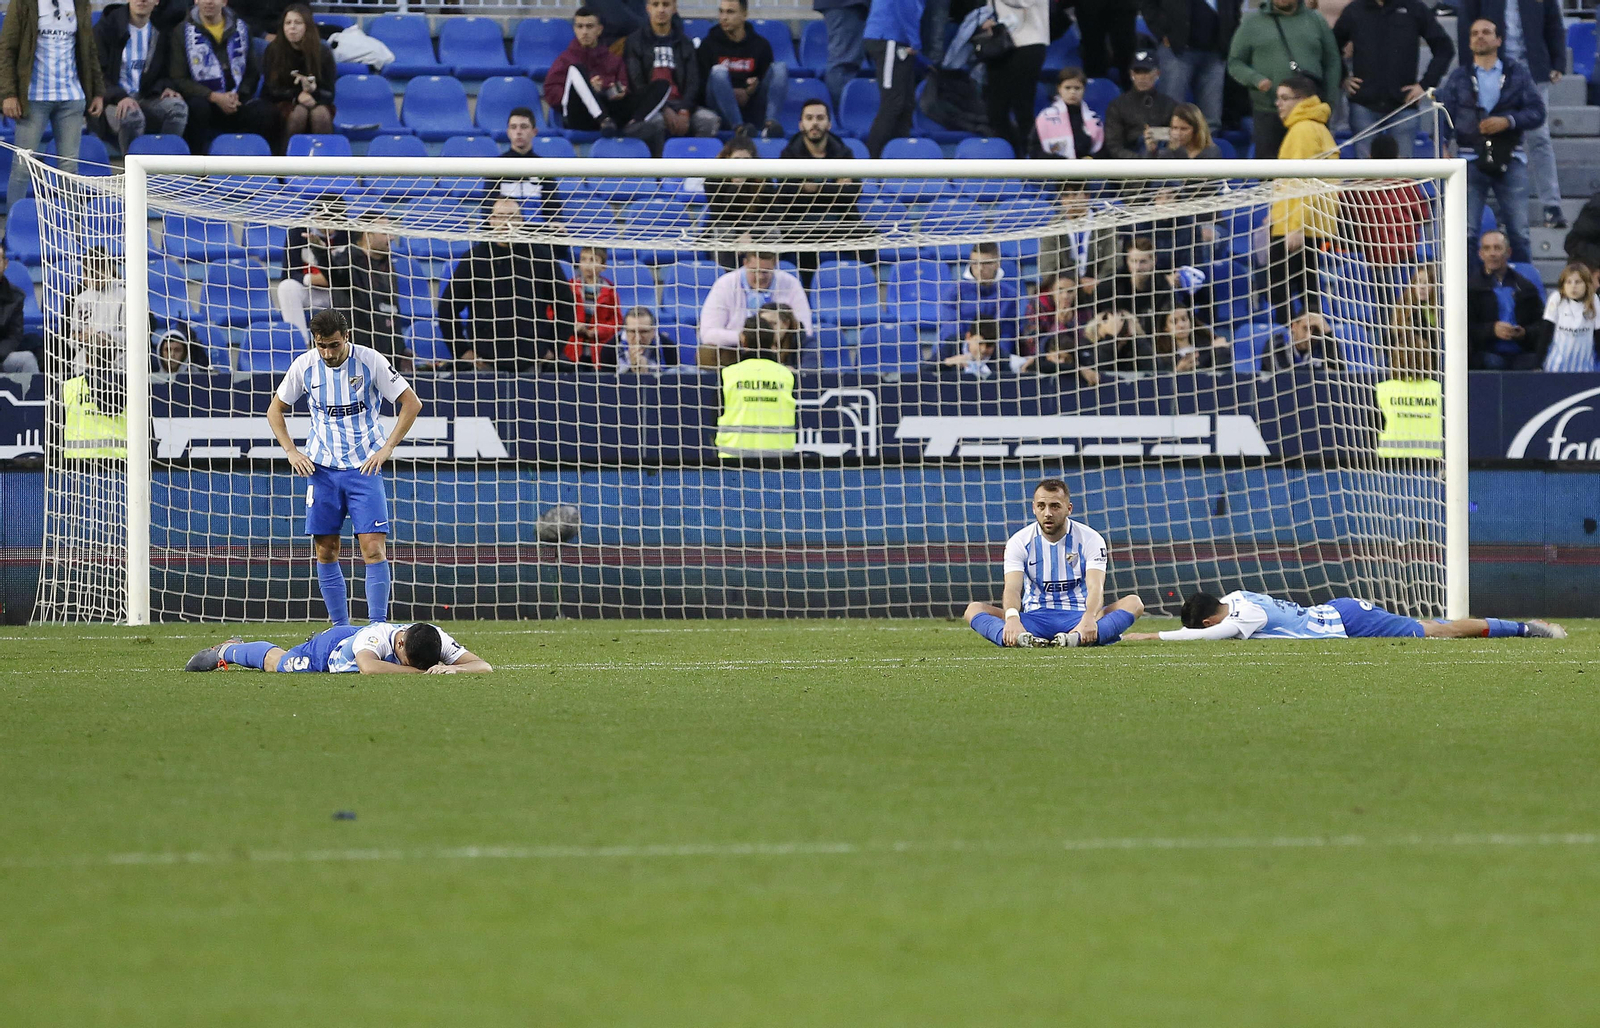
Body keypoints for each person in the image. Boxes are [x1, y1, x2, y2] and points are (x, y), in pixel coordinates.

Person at [265, 308, 423, 628]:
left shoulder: (370, 361)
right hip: (321, 470)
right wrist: (291, 451)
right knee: (326, 551)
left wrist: (387, 448)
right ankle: (340, 629)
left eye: (334, 345)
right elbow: (274, 410)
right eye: (321, 345)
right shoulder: (304, 366)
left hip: (364, 469)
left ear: (346, 337)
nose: (328, 353)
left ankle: (377, 628)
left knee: (373, 549)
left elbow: (411, 403)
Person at [962, 478, 1145, 648]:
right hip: (1034, 619)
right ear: (1034, 508)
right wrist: (1012, 618)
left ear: (1069, 508)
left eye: (1055, 506)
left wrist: (1089, 617)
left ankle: (1075, 638)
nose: (1047, 513)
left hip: (1079, 617)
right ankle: (1023, 638)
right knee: (973, 609)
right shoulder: (1019, 542)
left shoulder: (1091, 539)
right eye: (1041, 506)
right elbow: (1012, 589)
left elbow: (1095, 587)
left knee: (1134, 603)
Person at [1437, 18, 1544, 266]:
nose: (1480, 36)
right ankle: (1469, 287)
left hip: (1511, 157)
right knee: (1466, 232)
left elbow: (1538, 112)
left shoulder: (1517, 73)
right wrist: (1441, 144)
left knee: (1519, 232)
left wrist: (1508, 121)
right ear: (1469, 42)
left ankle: (1521, 286)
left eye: (1486, 32)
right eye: (1474, 33)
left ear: (1499, 40)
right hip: (1468, 159)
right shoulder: (1458, 77)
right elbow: (1444, 115)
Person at [1455, 0, 1567, 229]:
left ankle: (1551, 205)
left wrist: (1558, 61)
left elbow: (1553, 22)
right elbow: (1467, 23)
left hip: (1534, 69)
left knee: (1539, 138)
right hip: (1492, 69)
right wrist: (1469, 68)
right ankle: (1499, 209)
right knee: (1493, 137)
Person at [1123, 589, 1566, 643]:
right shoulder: (1237, 597)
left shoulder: (1242, 621)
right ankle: (1524, 627)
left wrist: (1143, 637)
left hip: (1350, 623)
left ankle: (1526, 629)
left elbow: (1200, 638)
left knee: (1440, 630)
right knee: (1437, 627)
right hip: (1338, 608)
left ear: (1208, 620)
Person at [438, 197, 574, 371]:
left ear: (521, 220)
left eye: (512, 216)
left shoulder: (541, 256)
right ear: (491, 220)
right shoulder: (474, 258)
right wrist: (462, 351)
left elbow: (565, 304)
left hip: (532, 361)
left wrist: (553, 348)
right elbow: (447, 308)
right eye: (500, 216)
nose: (506, 222)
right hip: (485, 362)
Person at [0, 0, 105, 213]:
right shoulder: (23, 3)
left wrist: (98, 92)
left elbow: (89, 50)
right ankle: (13, 223)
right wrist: (8, 94)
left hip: (71, 98)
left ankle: (72, 227)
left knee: (69, 168)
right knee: (22, 167)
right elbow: (7, 50)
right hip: (34, 98)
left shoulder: (80, 3)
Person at [1332, 0, 1452, 160]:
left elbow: (1444, 47)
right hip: (1364, 104)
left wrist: (1425, 85)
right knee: (1365, 171)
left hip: (1403, 104)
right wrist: (1343, 77)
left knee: (1402, 171)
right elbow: (1331, 46)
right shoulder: (1355, 10)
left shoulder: (1414, 8)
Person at [1227, 0, 1341, 160]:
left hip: (1310, 112)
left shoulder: (1316, 20)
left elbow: (1332, 61)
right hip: (1269, 110)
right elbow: (1235, 63)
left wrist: (1329, 100)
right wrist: (1255, 79)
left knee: (1314, 169)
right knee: (1269, 170)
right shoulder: (1252, 22)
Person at [543, 6, 664, 156]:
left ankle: (634, 123)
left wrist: (615, 91)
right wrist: (588, 89)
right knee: (576, 70)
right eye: (580, 27)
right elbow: (551, 93)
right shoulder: (565, 59)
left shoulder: (613, 59)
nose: (584, 32)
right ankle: (603, 119)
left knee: (662, 85)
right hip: (579, 115)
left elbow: (623, 85)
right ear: (574, 29)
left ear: (599, 30)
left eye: (589, 26)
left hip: (611, 113)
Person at [1266, 74, 1338, 326]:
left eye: (1284, 98)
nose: (1278, 104)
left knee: (1282, 292)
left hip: (1296, 227)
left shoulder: (1303, 130)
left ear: (1303, 100)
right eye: (1277, 98)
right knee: (1308, 289)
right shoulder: (1316, 127)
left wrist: (1294, 225)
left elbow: (1300, 181)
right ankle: (1314, 341)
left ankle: (1291, 340)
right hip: (1309, 224)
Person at [166, 0, 278, 154]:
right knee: (197, 108)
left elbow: (252, 73)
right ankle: (198, 164)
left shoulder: (242, 28)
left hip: (236, 100)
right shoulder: (181, 32)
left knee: (266, 112)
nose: (209, 2)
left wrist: (238, 94)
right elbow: (179, 78)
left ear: (224, 2)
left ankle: (252, 162)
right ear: (196, 1)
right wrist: (213, 96)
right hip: (204, 102)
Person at [184, 621, 494, 674]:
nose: (407, 665)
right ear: (399, 643)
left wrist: (452, 669)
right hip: (331, 649)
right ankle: (229, 650)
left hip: (350, 641)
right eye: (406, 661)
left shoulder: (436, 639)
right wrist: (422, 674)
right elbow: (368, 667)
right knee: (279, 664)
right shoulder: (377, 637)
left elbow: (484, 666)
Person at [92, 0, 188, 155]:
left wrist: (166, 87)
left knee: (178, 108)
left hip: (148, 97)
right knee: (131, 115)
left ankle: (164, 162)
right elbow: (97, 74)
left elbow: (168, 70)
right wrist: (120, 96)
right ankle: (132, 166)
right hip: (113, 100)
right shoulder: (107, 27)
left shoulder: (162, 29)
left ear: (157, 1)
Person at [623, 0, 720, 152]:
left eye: (666, 4)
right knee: (655, 123)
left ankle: (696, 163)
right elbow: (637, 83)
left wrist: (684, 110)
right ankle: (659, 166)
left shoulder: (685, 43)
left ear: (674, 8)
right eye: (656, 4)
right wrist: (663, 108)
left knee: (709, 121)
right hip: (651, 107)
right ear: (648, 8)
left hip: (682, 104)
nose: (661, 9)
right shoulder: (635, 41)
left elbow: (693, 82)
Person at [776, 99, 865, 260]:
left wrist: (813, 188)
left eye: (820, 118)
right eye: (809, 118)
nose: (814, 123)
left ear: (829, 124)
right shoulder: (788, 154)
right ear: (801, 124)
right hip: (800, 224)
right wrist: (834, 188)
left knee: (870, 241)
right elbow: (786, 195)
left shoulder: (843, 153)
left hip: (840, 222)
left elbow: (854, 193)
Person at [1140, 0, 1241, 131]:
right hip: (1177, 49)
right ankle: (1168, 145)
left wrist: (1229, 34)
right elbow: (1147, 4)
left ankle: (1208, 144)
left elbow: (1235, 7)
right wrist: (1162, 32)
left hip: (1216, 52)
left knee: (1211, 120)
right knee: (1170, 115)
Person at [698, 250, 812, 367]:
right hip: (737, 349)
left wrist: (773, 337)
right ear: (745, 263)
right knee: (707, 351)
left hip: (779, 348)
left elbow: (806, 329)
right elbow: (708, 334)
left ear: (775, 265)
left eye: (765, 272)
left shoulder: (791, 283)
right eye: (754, 271)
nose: (760, 277)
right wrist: (745, 337)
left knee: (809, 345)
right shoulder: (725, 284)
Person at [698, 0, 787, 138]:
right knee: (718, 72)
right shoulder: (708, 44)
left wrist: (751, 90)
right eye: (721, 12)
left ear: (744, 15)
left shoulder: (760, 45)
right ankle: (739, 128)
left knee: (780, 68)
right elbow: (703, 87)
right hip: (720, 109)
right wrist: (730, 92)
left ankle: (770, 126)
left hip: (752, 108)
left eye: (730, 12)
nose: (724, 17)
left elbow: (766, 84)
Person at [713, 313, 796, 459]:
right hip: (779, 458)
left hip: (733, 459)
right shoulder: (786, 375)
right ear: (773, 341)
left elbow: (714, 417)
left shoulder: (728, 375)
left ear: (743, 339)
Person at [329, 219, 407, 366]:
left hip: (386, 356)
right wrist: (320, 253)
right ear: (368, 235)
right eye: (385, 233)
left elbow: (393, 311)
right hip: (355, 357)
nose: (391, 237)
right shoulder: (347, 261)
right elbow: (334, 276)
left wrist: (401, 350)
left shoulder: (387, 266)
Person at [261, 3, 334, 153]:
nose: (292, 27)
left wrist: (313, 92)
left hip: (316, 100)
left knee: (320, 115)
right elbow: (271, 89)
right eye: (288, 23)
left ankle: (324, 161)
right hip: (282, 101)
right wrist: (297, 96)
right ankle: (285, 161)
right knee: (299, 113)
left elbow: (330, 93)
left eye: (298, 23)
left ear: (307, 26)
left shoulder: (323, 52)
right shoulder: (273, 50)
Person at [982, 0, 1048, 158]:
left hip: (1029, 43)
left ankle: (1030, 159)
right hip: (999, 42)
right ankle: (1010, 158)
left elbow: (1024, 2)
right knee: (996, 111)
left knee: (1023, 108)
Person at [861, 0, 924, 158]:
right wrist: (915, 41)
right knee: (893, 102)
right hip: (889, 36)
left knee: (906, 103)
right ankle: (870, 160)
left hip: (895, 37)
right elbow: (906, 6)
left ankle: (898, 157)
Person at [702, 137, 773, 263]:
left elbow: (770, 213)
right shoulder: (713, 179)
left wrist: (750, 233)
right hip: (726, 226)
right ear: (727, 158)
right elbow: (720, 215)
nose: (741, 164)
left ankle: (766, 270)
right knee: (723, 232)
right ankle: (725, 273)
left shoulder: (763, 179)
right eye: (736, 159)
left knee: (773, 232)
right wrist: (735, 187)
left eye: (746, 160)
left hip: (755, 227)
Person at [939, 241, 1021, 350]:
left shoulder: (1009, 296)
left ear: (997, 263)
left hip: (992, 354)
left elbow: (1006, 336)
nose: (980, 268)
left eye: (986, 263)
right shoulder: (953, 293)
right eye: (975, 263)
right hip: (958, 353)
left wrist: (993, 356)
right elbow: (950, 332)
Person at [1103, 47, 1179, 160]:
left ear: (1157, 73)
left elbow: (1179, 137)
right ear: (1131, 74)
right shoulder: (1117, 105)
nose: (1142, 77)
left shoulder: (1169, 105)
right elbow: (1114, 146)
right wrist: (1140, 160)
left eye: (1146, 72)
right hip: (1130, 163)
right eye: (1138, 72)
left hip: (1163, 161)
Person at [1038, 181, 1118, 285]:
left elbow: (1113, 261)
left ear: (1087, 196)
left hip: (1099, 284)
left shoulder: (1105, 223)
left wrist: (1099, 282)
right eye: (1066, 195)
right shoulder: (1053, 226)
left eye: (1075, 194)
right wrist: (1074, 282)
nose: (1071, 200)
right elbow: (1047, 265)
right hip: (1066, 285)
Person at [1095, 236, 1174, 334]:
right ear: (1127, 261)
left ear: (1154, 261)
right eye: (1133, 261)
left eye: (1143, 262)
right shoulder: (1111, 286)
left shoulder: (1162, 287)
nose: (1137, 267)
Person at [497, 107, 562, 223]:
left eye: (524, 127)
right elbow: (488, 205)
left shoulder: (543, 167)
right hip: (505, 229)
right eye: (513, 127)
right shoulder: (496, 166)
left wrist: (555, 223)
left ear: (534, 132)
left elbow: (552, 206)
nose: (518, 132)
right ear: (508, 132)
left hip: (537, 230)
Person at [564, 245, 620, 369]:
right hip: (573, 348)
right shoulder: (569, 288)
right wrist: (572, 325)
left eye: (593, 260)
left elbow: (616, 322)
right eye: (583, 259)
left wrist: (597, 331)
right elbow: (556, 313)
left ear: (603, 266)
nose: (587, 264)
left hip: (598, 349)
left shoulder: (610, 291)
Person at [1538, 263, 1600, 374]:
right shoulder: (1556, 298)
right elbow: (1546, 332)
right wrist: (1537, 364)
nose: (1573, 286)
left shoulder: (1594, 300)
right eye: (1568, 282)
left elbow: (1598, 334)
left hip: (1584, 368)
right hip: (1556, 367)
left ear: (1587, 284)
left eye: (1578, 282)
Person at [1032, 67, 1103, 160]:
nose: (1072, 92)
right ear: (1059, 89)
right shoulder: (1045, 118)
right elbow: (1035, 150)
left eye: (1077, 88)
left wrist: (1090, 158)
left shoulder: (1094, 119)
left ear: (1084, 90)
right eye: (1067, 88)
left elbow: (1102, 150)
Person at [814, 0, 868, 107]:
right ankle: (839, 111)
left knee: (845, 61)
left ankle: (839, 110)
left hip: (847, 5)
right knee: (844, 63)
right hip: (846, 4)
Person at [1074, 0, 1137, 83]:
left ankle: (1130, 84)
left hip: (1123, 6)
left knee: (1125, 46)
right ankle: (1095, 84)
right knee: (1092, 48)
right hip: (1088, 7)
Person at [0, 251, 42, 374]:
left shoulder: (16, 296)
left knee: (27, 359)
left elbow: (14, 336)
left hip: (1, 355)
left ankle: (38, 387)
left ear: (5, 264)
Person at [1154, 306, 1229, 371]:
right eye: (1174, 321)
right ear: (1166, 328)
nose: (1181, 325)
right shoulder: (1162, 357)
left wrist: (1221, 351)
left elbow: (1223, 376)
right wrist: (1178, 371)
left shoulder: (1209, 349)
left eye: (1184, 319)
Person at [1264, 309, 1341, 369]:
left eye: (1316, 331)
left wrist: (1328, 332)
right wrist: (1321, 372)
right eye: (1305, 328)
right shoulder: (1277, 343)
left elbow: (1340, 374)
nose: (1309, 336)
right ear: (1294, 326)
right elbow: (1283, 377)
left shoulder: (1322, 344)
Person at [1152, 101, 1221, 161]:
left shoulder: (1211, 152)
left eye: (1184, 129)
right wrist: (1152, 152)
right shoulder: (1168, 153)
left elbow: (1189, 171)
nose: (1178, 133)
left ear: (1196, 130)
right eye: (1175, 128)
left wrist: (1179, 151)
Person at [936, 319, 1003, 379]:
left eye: (989, 345)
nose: (983, 350)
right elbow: (930, 368)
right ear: (968, 337)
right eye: (980, 343)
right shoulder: (952, 345)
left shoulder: (1001, 358)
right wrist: (948, 362)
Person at [617, 305, 672, 373]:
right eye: (632, 331)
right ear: (625, 330)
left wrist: (647, 372)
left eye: (644, 332)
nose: (638, 339)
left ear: (653, 331)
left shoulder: (667, 346)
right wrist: (632, 369)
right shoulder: (610, 348)